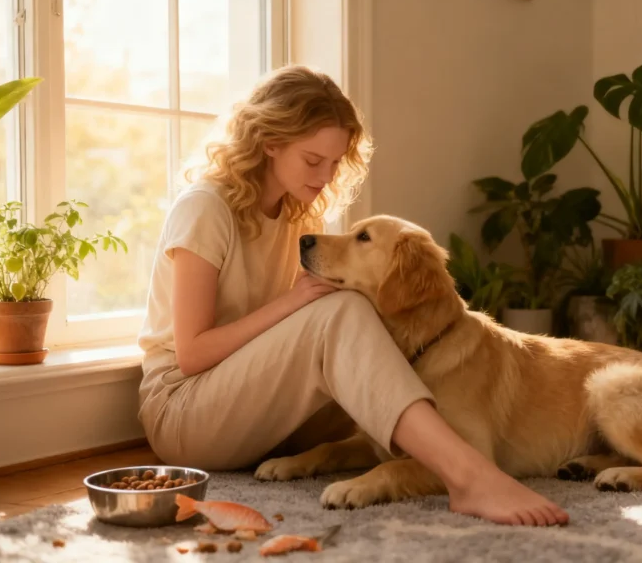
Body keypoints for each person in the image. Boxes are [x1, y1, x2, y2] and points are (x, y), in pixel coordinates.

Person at [136, 65, 567, 527]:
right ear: (270, 142)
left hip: (251, 406)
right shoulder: (206, 207)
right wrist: (294, 302)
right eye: (312, 159)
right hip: (185, 410)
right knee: (339, 310)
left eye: (336, 162)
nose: (325, 175)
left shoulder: (297, 216)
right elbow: (192, 354)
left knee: (370, 340)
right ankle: (468, 476)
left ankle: (452, 456)